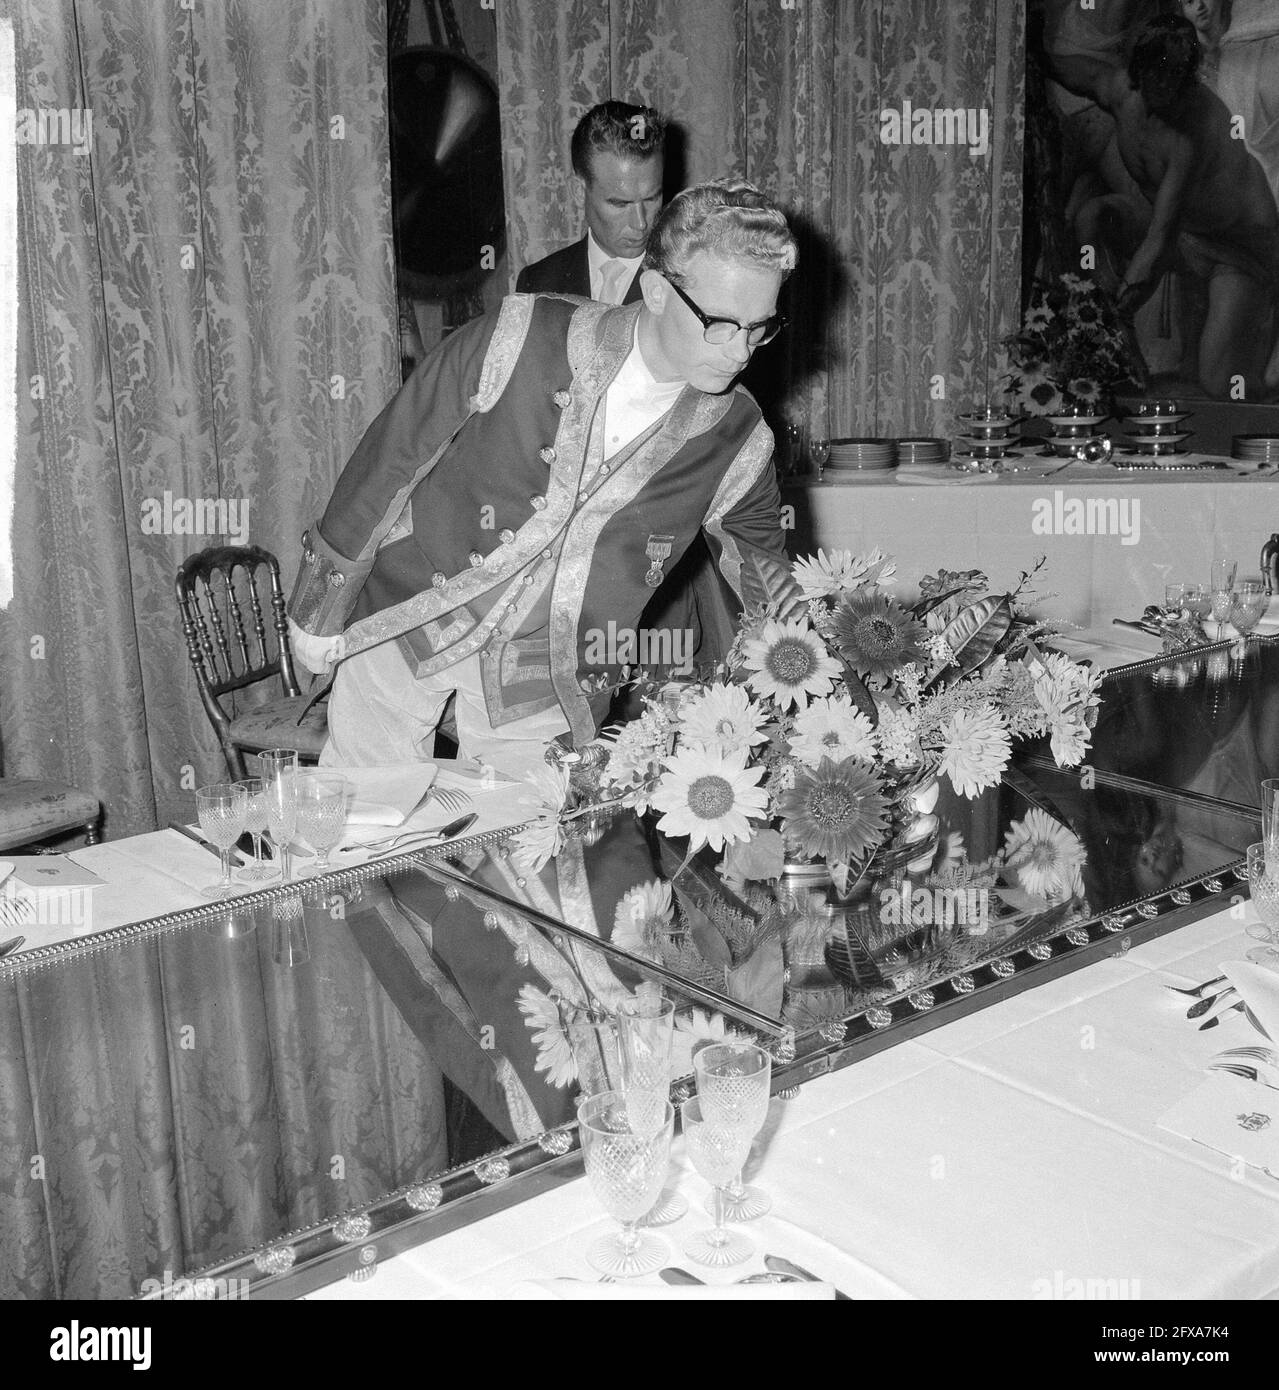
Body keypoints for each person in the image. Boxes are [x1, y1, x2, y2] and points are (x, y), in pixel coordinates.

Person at [287, 179, 803, 779]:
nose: (740, 351)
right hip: (408, 610)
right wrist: (320, 606)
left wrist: (800, 687)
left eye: (759, 327)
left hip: (550, 668)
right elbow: (392, 454)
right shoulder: (518, 334)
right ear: (658, 291)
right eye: (720, 323)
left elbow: (763, 573)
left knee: (528, 852)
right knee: (362, 818)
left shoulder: (738, 436)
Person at [1044, 12, 1279, 399]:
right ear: (1139, 73)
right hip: (1186, 235)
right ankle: (1107, 337)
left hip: (1239, 249)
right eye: (1154, 81)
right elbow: (1066, 68)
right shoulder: (1119, 90)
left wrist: (1119, 311)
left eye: (1173, 84)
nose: (1163, 94)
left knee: (1222, 385)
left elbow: (1156, 243)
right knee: (1094, 216)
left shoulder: (1194, 132)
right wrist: (1034, 49)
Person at [514, 101, 665, 305]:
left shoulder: (687, 280)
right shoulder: (538, 282)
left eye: (651, 198)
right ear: (578, 191)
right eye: (620, 203)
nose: (640, 224)